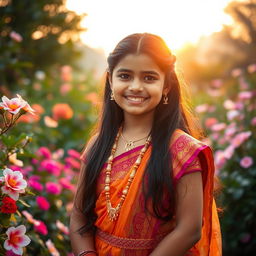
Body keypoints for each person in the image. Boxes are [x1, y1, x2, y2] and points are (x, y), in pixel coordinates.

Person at [69, 33, 222, 256]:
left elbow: (189, 230)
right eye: (125, 76)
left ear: (166, 85)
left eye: (149, 78)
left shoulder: (182, 150)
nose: (136, 86)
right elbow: (78, 216)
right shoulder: (98, 145)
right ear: (111, 81)